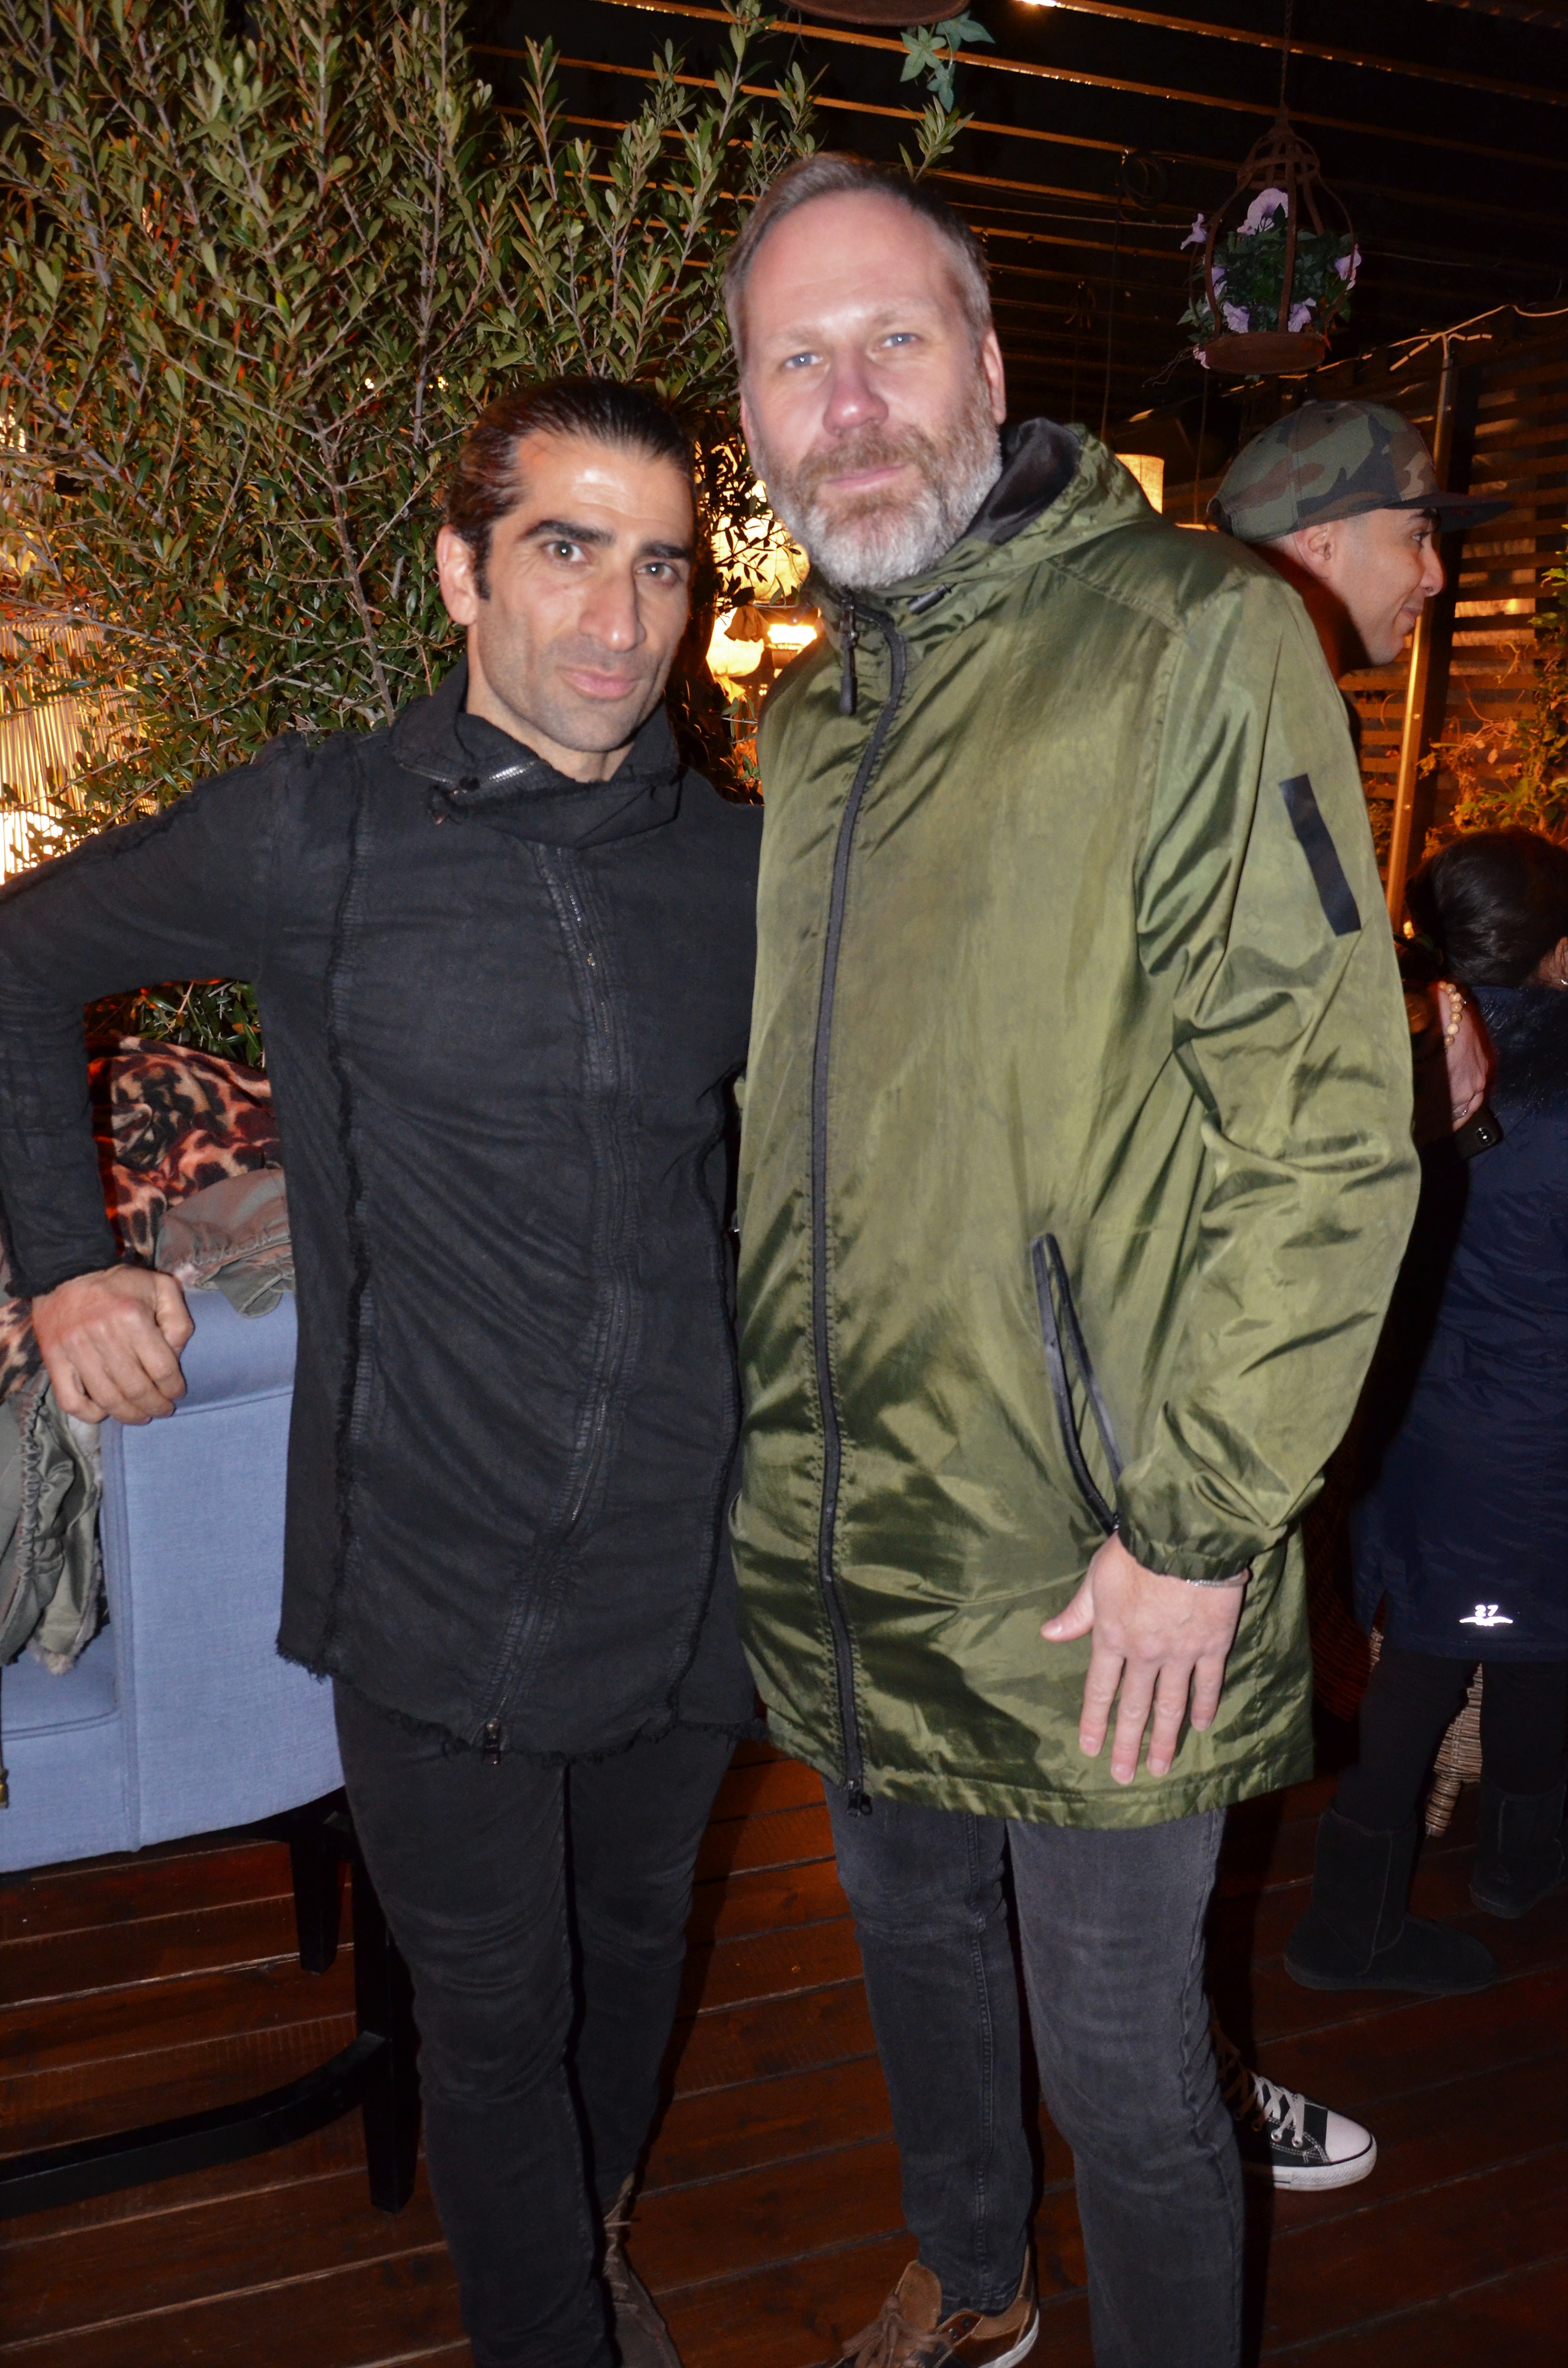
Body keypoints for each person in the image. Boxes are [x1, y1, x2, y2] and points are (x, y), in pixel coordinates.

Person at [723, 155, 1419, 2368]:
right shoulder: (811, 721)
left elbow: (1325, 1123)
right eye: (795, 361)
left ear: (991, 365)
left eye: (892, 339)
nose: (847, 401)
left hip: (1108, 1552)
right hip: (862, 1527)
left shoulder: (1193, 635)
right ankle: (981, 2291)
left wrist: (1200, 1524)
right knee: (918, 1962)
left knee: (1125, 2068)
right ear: (753, 418)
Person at [0, 379, 762, 2368]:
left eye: (660, 563)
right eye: (564, 548)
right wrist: (69, 1260)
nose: (618, 615)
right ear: (460, 571)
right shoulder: (319, 823)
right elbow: (16, 956)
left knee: (635, 1947)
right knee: (497, 2018)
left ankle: (592, 2229)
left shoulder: (735, 865)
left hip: (694, 1549)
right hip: (437, 1559)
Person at [1285, 830, 1568, 1996]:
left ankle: (1518, 1859)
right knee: (1439, 1663)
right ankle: (1345, 1929)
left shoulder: (1391, 1059)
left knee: (1521, 1636)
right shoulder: (1543, 1089)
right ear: (1558, 954)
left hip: (1414, 1419)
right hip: (1518, 1442)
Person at [1212, 396, 1509, 1138]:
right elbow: (1286, 980)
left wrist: (1430, 998)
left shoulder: (1269, 688)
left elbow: (1320, 929)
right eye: (1417, 537)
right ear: (1320, 543)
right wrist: (1427, 1018)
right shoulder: (1259, 705)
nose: (1435, 576)